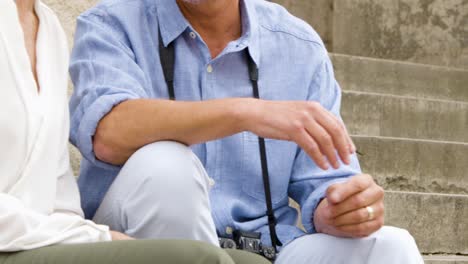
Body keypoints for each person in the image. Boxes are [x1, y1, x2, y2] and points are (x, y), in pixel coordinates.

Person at [69, 0, 424, 263]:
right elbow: (108, 133)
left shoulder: (300, 46)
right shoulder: (111, 23)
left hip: (272, 247)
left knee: (392, 247)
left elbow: (326, 184)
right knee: (166, 164)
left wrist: (342, 210)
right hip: (137, 241)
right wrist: (243, 112)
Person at [0, 0, 268, 263]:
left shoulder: (47, 28)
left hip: (41, 238)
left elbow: (58, 195)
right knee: (197, 257)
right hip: (13, 241)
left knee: (248, 262)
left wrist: (85, 234)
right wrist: (97, 238)